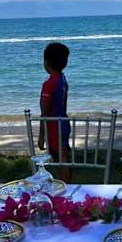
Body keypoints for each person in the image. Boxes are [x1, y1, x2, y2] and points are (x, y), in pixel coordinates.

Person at [38, 42, 71, 180]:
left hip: (53, 128)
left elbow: (44, 113)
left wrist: (41, 136)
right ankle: (65, 182)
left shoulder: (49, 84)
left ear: (46, 62)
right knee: (63, 157)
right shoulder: (62, 80)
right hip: (63, 123)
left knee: (61, 160)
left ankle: (65, 185)